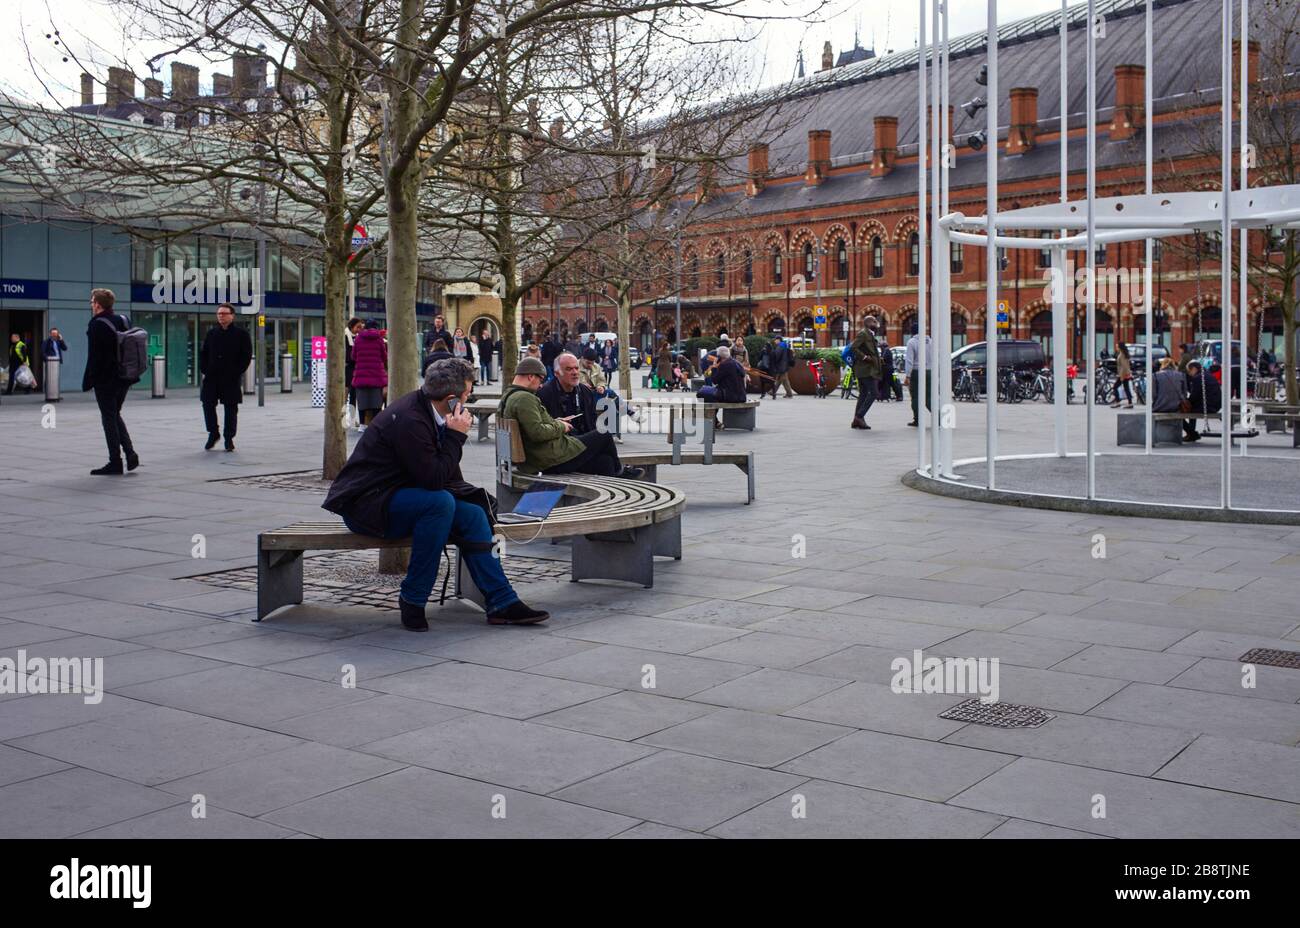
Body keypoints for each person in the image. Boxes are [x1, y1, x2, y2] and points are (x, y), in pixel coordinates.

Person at [323, 358, 548, 630]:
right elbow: (434, 479)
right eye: (468, 392)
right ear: (452, 398)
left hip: (399, 495)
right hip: (366, 504)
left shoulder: (431, 412)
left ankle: (503, 602)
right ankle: (413, 598)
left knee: (474, 515)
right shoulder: (411, 420)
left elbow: (444, 476)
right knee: (439, 503)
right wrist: (456, 436)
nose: (469, 397)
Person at [499, 357, 641, 478]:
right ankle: (620, 472)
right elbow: (537, 432)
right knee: (603, 436)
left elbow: (534, 427)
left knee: (605, 462)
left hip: (542, 458)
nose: (541, 384)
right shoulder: (525, 398)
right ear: (531, 376)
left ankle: (609, 499)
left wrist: (556, 421)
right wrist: (561, 426)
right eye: (540, 379)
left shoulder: (509, 396)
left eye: (576, 368)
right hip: (550, 459)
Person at [83, 288, 139, 475]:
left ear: (98, 304)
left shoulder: (97, 324)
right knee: (114, 414)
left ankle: (115, 461)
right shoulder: (123, 320)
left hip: (106, 380)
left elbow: (95, 356)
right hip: (124, 377)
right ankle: (130, 453)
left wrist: (90, 379)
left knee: (108, 418)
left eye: (92, 302)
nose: (91, 304)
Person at [199, 304, 254, 452]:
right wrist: (204, 369)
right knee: (207, 404)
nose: (221, 316)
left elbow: (246, 356)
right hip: (211, 377)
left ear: (232, 315)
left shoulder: (241, 334)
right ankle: (213, 432)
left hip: (230, 377)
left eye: (224, 313)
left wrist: (237, 371)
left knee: (231, 408)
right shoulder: (212, 333)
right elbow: (204, 353)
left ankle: (229, 438)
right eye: (219, 314)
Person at [352, 319, 388, 430]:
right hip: (376, 375)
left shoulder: (358, 338)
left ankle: (362, 425)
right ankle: (375, 425)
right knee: (376, 402)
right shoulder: (379, 339)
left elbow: (353, 356)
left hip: (361, 374)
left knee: (362, 402)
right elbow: (384, 356)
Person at [849, 317, 883, 430]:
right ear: (868, 323)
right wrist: (864, 357)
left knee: (863, 394)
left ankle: (856, 421)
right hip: (865, 369)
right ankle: (859, 416)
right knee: (873, 393)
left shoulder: (870, 334)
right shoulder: (863, 334)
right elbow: (854, 347)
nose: (876, 323)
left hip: (868, 369)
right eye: (874, 321)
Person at [1184, 359, 1221, 442]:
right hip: (1215, 405)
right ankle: (1191, 434)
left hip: (1208, 406)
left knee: (1180, 412)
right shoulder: (1208, 375)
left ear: (1194, 369)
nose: (1189, 374)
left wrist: (1187, 402)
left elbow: (1195, 395)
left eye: (1189, 371)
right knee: (1191, 409)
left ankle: (1192, 434)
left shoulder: (1198, 378)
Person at [904, 332, 933, 427]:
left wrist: (907, 375)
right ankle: (940, 417)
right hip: (929, 371)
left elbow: (909, 360)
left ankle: (917, 419)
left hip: (916, 372)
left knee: (916, 397)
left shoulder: (912, 342)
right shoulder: (930, 341)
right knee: (929, 397)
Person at [344, 317, 363, 427]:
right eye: (358, 327)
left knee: (354, 396)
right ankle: (341, 418)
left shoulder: (358, 338)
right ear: (352, 326)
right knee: (344, 396)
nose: (359, 329)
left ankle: (351, 419)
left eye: (361, 327)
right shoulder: (345, 337)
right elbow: (348, 356)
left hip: (355, 370)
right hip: (347, 370)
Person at [1111, 342, 1134, 408]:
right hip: (1126, 374)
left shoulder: (1122, 355)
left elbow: (1124, 366)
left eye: (1117, 346)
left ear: (1120, 347)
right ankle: (1130, 403)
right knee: (1126, 388)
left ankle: (1118, 402)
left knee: (1115, 387)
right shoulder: (1124, 354)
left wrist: (1121, 376)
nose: (1116, 348)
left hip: (1123, 374)